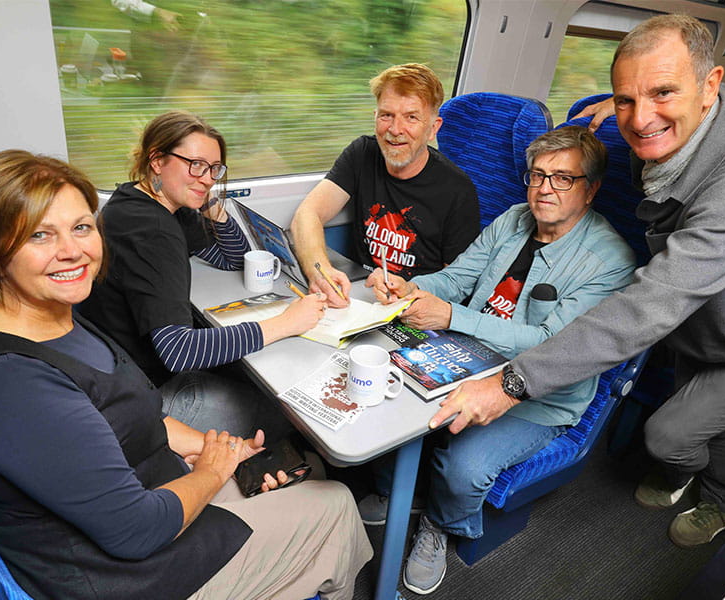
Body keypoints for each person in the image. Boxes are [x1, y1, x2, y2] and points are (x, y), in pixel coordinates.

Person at [434, 14, 725, 551]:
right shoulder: (683, 116)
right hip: (707, 312)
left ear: (710, 86)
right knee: (706, 414)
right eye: (627, 97)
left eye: (662, 92)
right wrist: (633, 103)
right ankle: (691, 459)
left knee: (671, 434)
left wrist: (511, 383)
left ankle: (721, 499)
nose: (640, 117)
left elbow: (648, 307)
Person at [0, 149, 371, 600]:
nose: (72, 251)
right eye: (40, 235)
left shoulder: (54, 317)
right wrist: (212, 472)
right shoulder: (12, 387)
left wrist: (218, 452)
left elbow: (132, 416)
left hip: (149, 494)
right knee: (335, 503)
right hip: (133, 575)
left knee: (304, 472)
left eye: (81, 227)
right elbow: (136, 530)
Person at [360, 126, 635, 594]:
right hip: (468, 354)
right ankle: (399, 490)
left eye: (563, 178)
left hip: (539, 394)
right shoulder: (513, 219)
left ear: (591, 189)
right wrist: (414, 288)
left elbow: (549, 345)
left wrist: (453, 316)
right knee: (387, 393)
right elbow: (457, 278)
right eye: (538, 175)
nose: (544, 188)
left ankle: (442, 524)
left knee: (464, 468)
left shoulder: (610, 262)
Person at [77, 111, 327, 438]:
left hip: (126, 375)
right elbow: (179, 352)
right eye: (195, 165)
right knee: (291, 415)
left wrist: (211, 206)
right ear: (157, 161)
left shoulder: (144, 201)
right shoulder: (152, 231)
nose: (207, 178)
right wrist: (287, 323)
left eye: (214, 169)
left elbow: (232, 258)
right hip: (147, 399)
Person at [290, 63, 480, 308]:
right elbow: (307, 214)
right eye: (386, 115)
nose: (395, 130)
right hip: (360, 294)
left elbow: (455, 284)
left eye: (411, 117)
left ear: (433, 128)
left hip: (414, 304)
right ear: (375, 117)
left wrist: (407, 292)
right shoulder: (362, 153)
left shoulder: (457, 190)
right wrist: (320, 272)